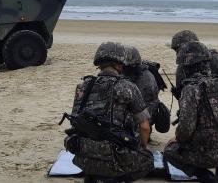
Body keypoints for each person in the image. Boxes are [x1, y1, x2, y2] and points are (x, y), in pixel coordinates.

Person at [63, 42, 154, 183]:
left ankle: (93, 176)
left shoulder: (83, 86)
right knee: (148, 159)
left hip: (83, 155)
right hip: (114, 157)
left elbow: (76, 119)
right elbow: (144, 126)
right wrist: (143, 147)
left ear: (99, 64)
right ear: (118, 65)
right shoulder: (128, 87)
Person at [163, 41, 218, 183]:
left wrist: (177, 139)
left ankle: (206, 177)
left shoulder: (191, 89)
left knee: (169, 152)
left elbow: (185, 130)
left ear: (186, 67)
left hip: (210, 154)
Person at [170, 30, 218, 119]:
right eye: (176, 50)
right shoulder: (182, 69)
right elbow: (183, 96)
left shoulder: (216, 59)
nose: (178, 54)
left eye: (179, 49)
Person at [122, 46, 170, 134]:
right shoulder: (138, 72)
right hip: (146, 114)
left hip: (145, 115)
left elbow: (138, 105)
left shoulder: (145, 78)